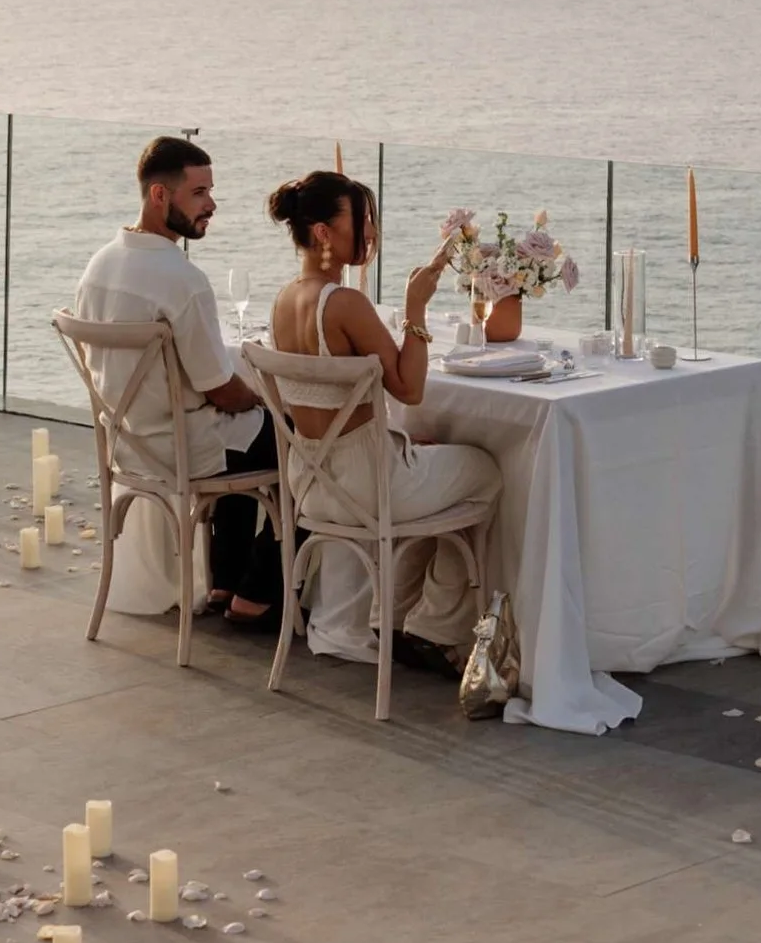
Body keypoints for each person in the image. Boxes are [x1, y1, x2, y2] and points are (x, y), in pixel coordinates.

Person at [264, 169, 500, 664]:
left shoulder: (283, 300)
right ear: (325, 233)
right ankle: (434, 623)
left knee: (432, 458)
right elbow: (411, 390)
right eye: (362, 221)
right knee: (489, 470)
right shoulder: (346, 304)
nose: (371, 233)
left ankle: (394, 615)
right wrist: (417, 307)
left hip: (312, 485)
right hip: (370, 490)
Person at [71, 134, 282, 623]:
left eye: (211, 192)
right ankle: (259, 592)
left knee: (248, 435)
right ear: (159, 195)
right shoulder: (183, 280)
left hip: (126, 443)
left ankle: (225, 586)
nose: (211, 205)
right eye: (199, 193)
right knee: (300, 443)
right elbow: (221, 389)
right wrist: (260, 400)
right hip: (181, 447)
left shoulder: (99, 265)